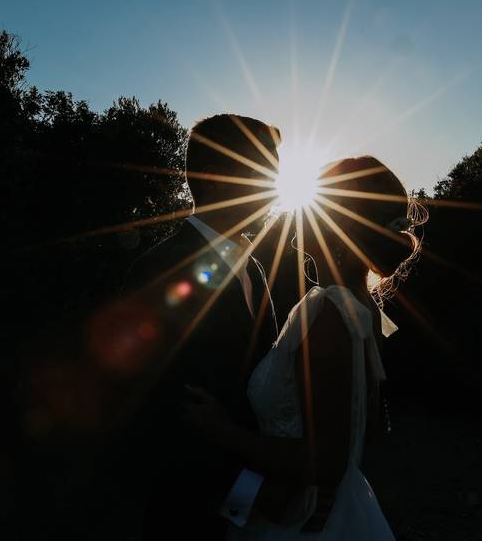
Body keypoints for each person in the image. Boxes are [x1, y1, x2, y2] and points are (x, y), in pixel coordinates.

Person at [182, 156, 426, 540]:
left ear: (340, 223)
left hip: (296, 521)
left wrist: (221, 429)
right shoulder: (364, 307)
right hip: (337, 510)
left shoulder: (328, 310)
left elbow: (325, 462)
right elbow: (371, 427)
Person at [122, 114, 284, 540]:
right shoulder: (157, 271)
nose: (275, 187)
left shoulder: (254, 269)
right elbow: (156, 409)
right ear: (213, 177)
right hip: (187, 513)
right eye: (261, 172)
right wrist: (247, 492)